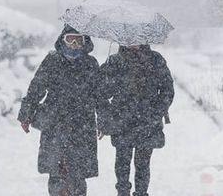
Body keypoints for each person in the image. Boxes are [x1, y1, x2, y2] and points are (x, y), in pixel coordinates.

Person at [17, 25, 100, 196]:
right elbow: (36, 88)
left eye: (79, 40)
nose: (74, 43)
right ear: (63, 39)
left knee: (78, 173)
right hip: (55, 123)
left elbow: (99, 96)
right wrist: (26, 114)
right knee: (57, 171)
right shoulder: (52, 60)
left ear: (85, 42)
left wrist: (105, 121)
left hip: (82, 124)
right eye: (71, 38)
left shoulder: (90, 64)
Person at [98, 44, 174, 196]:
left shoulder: (155, 59)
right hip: (122, 121)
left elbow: (167, 90)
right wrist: (106, 117)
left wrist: (155, 112)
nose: (133, 43)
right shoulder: (114, 61)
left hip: (148, 121)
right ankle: (122, 192)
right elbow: (101, 93)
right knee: (122, 162)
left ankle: (141, 192)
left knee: (143, 163)